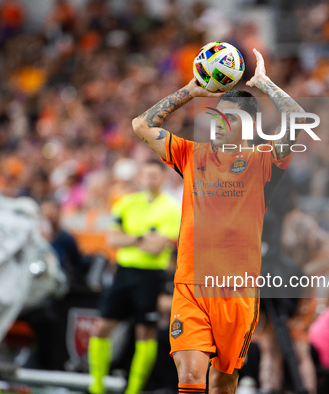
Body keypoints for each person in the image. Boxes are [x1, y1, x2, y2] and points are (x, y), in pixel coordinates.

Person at [131, 48, 306, 394]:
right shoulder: (191, 154)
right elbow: (142, 125)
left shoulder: (262, 161)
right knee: (191, 375)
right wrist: (191, 91)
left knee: (224, 382)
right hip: (191, 286)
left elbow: (298, 121)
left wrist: (266, 85)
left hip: (237, 291)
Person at [88, 159, 181, 394]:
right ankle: (97, 385)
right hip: (124, 272)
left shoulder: (171, 208)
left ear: (162, 178)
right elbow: (112, 240)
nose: (150, 179)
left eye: (155, 175)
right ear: (140, 177)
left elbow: (157, 247)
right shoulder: (126, 203)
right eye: (146, 174)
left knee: (145, 332)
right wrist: (142, 237)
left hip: (150, 276)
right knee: (101, 327)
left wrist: (129, 237)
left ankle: (134, 390)